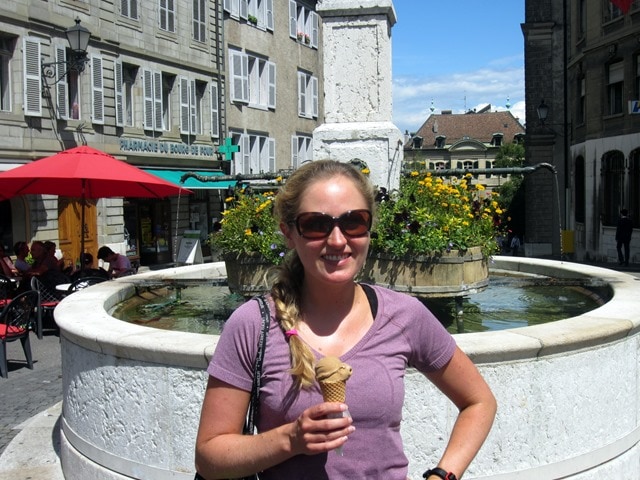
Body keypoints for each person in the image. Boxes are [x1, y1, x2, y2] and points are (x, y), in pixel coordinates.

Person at [195, 160, 496, 480]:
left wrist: (442, 476)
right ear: (289, 233)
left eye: (354, 222)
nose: (337, 240)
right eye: (316, 224)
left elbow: (479, 402)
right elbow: (209, 456)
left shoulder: (404, 315)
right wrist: (290, 440)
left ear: (369, 228)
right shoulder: (253, 324)